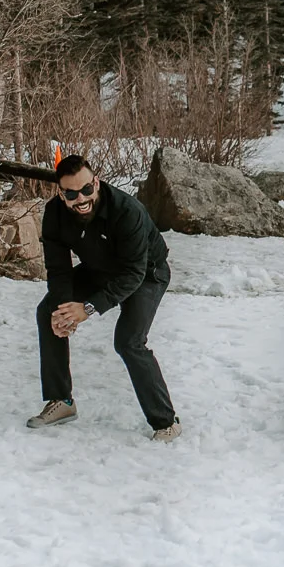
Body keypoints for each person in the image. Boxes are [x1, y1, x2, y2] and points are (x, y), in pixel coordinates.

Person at [27, 155, 181, 441]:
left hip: (147, 273)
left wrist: (87, 308)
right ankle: (62, 402)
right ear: (61, 194)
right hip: (100, 269)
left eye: (86, 189)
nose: (81, 199)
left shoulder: (127, 210)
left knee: (128, 340)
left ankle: (166, 422)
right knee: (48, 310)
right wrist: (63, 311)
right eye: (71, 194)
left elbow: (134, 273)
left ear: (96, 182)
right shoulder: (55, 214)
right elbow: (58, 269)